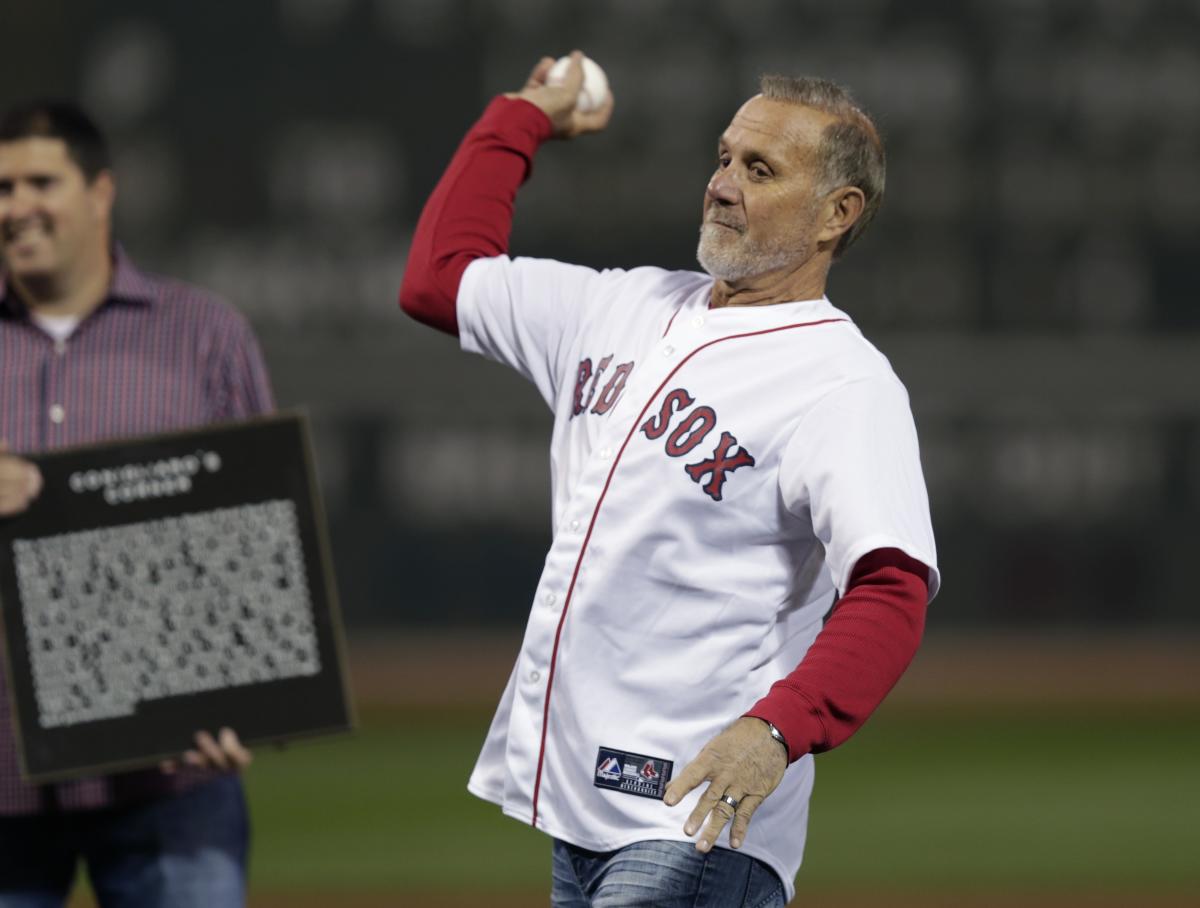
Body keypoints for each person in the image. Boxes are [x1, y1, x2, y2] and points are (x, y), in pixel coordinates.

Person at [399, 53, 940, 906]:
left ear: (839, 213)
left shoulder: (844, 383)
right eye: (724, 157)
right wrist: (522, 115)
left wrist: (777, 728)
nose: (723, 184)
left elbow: (892, 587)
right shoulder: (620, 307)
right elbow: (439, 279)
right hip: (580, 811)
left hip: (696, 822)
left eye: (760, 169)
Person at [0, 101, 269, 907]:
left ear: (101, 191)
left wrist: (249, 693)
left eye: (40, 181)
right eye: (1, 187)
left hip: (172, 780)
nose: (16, 206)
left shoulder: (202, 334)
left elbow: (262, 536)